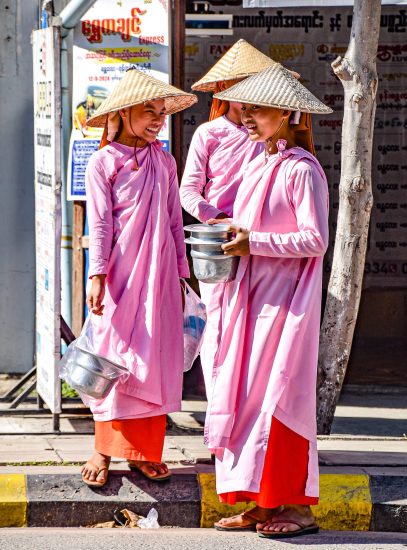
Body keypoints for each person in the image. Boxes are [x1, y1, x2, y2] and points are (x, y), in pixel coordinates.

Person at [204, 63, 332, 539]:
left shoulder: (303, 170)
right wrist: (233, 234)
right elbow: (248, 225)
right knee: (246, 398)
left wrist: (253, 241)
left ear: (285, 114)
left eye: (257, 110)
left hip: (284, 307)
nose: (248, 117)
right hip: (247, 300)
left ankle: (296, 508)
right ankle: (259, 503)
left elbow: (313, 239)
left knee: (279, 398)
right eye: (247, 109)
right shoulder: (258, 163)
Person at [80, 68, 197, 487]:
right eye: (149, 111)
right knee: (113, 356)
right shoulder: (102, 162)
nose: (156, 121)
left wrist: (183, 280)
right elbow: (100, 225)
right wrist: (97, 275)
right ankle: (103, 447)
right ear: (123, 112)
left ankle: (143, 452)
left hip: (161, 276)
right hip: (118, 276)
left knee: (153, 359)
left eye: (162, 114)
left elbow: (172, 224)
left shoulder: (165, 161)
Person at [180, 39, 277, 391]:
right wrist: (216, 217)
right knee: (218, 326)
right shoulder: (209, 133)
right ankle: (219, 414)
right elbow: (188, 191)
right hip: (219, 245)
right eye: (240, 88)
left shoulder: (271, 135)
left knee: (258, 329)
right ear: (223, 89)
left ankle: (247, 416)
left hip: (263, 242)